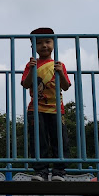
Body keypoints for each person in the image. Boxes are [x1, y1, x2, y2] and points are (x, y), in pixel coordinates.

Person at [21, 27, 71, 181]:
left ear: (53, 44)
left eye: (47, 42)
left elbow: (66, 86)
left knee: (59, 139)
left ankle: (59, 171)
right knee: (38, 140)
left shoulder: (58, 64)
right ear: (33, 47)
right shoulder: (31, 65)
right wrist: (32, 70)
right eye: (39, 43)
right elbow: (25, 84)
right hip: (36, 109)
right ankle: (40, 171)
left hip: (56, 108)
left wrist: (61, 73)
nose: (44, 46)